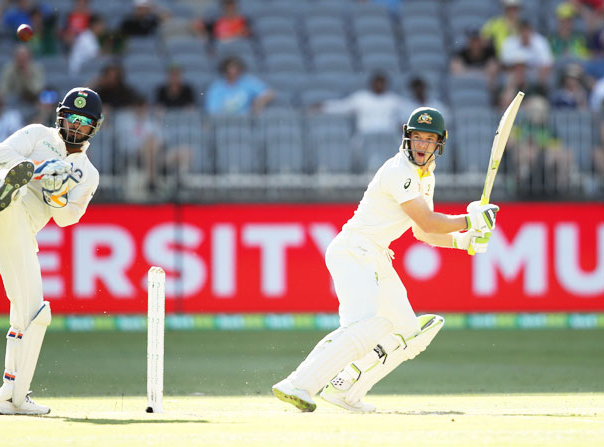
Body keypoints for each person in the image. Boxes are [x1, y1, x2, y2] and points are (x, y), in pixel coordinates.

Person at [272, 107, 500, 413]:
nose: (421, 145)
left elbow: (422, 231)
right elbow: (430, 222)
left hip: (376, 256)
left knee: (409, 333)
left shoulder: (426, 176)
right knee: (365, 326)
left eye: (428, 139)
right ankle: (298, 383)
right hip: (355, 251)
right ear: (407, 137)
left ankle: (345, 391)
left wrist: (463, 240)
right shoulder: (399, 171)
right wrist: (469, 220)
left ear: (440, 143)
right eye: (416, 137)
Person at [0, 87, 104, 415]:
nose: (75, 126)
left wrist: (55, 194)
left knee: (31, 312)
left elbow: (66, 217)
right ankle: (11, 185)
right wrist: (38, 171)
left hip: (16, 233)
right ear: (60, 116)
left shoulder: (88, 174)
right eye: (71, 118)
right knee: (7, 183)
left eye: (83, 122)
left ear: (94, 127)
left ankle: (11, 396)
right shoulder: (37, 134)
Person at [319, 71, 405, 135]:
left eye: (381, 83)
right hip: (366, 138)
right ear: (372, 84)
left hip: (388, 138)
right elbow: (342, 107)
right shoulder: (361, 98)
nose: (379, 86)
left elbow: (409, 111)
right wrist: (323, 106)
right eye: (377, 83)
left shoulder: (394, 99)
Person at [205, 55, 273, 115]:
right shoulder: (216, 87)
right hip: (224, 122)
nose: (234, 72)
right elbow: (213, 111)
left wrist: (260, 101)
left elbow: (269, 93)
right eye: (230, 70)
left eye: (236, 70)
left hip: (245, 122)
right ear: (225, 71)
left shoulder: (247, 81)